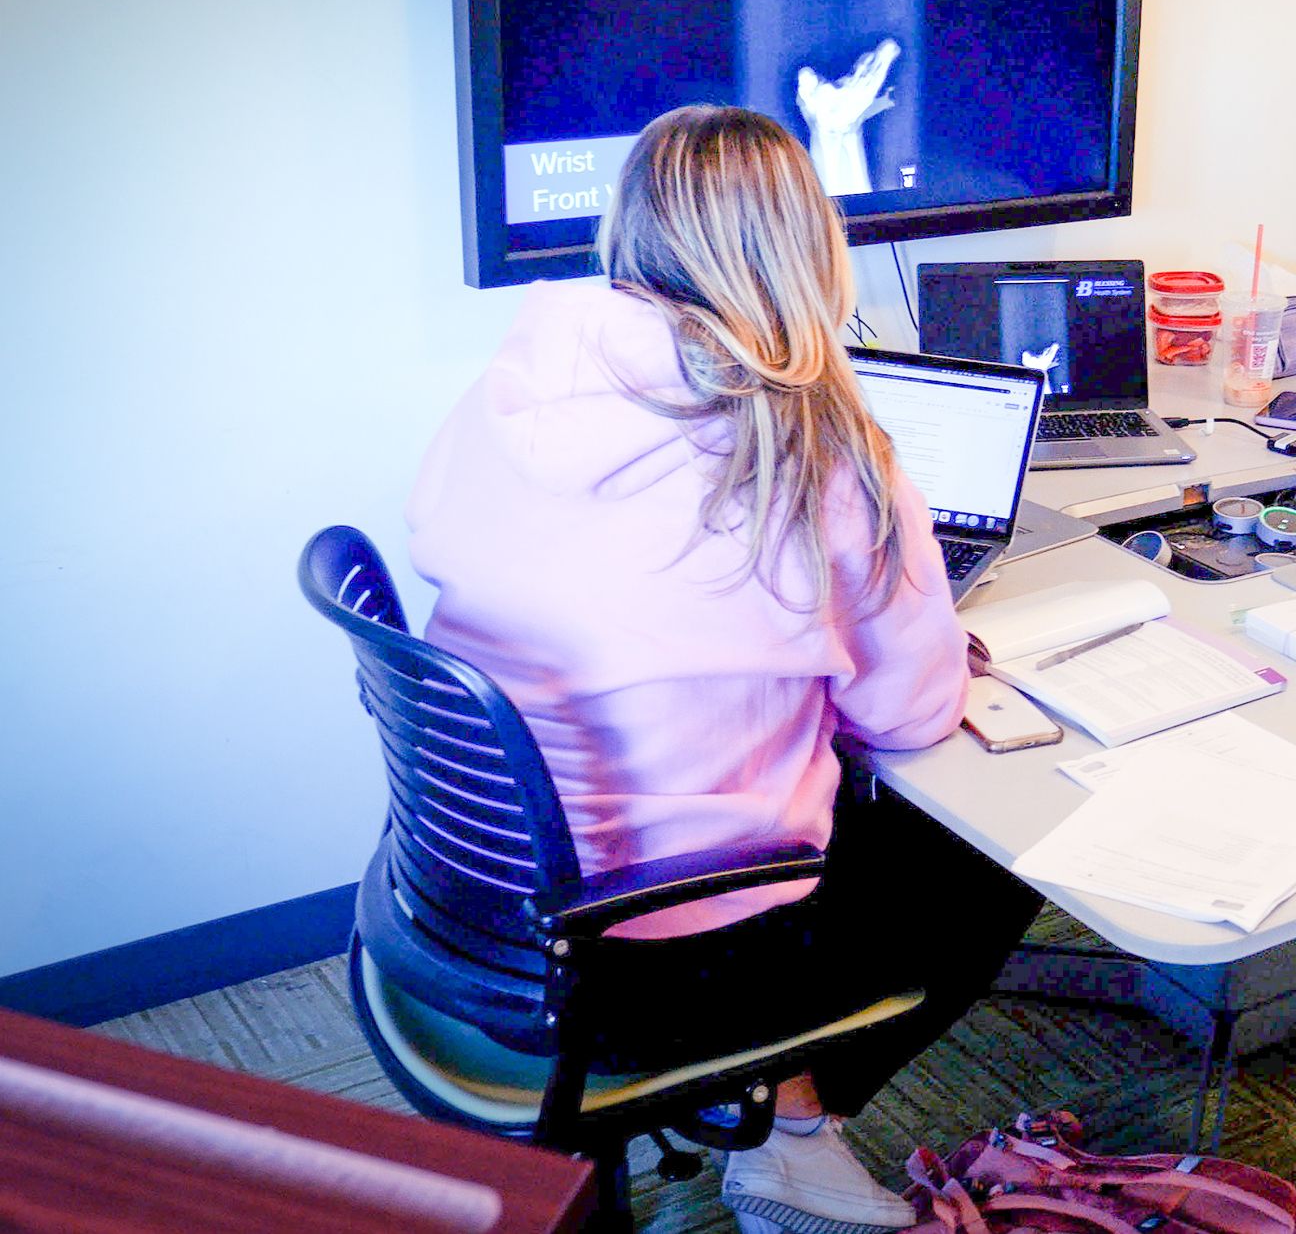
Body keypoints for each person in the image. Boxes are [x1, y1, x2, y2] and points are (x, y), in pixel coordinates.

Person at [408, 105, 1039, 1234]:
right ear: (809, 243)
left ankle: (776, 1112)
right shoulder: (820, 448)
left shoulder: (511, 391)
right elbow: (911, 715)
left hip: (470, 889)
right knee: (995, 835)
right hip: (655, 956)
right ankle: (790, 1131)